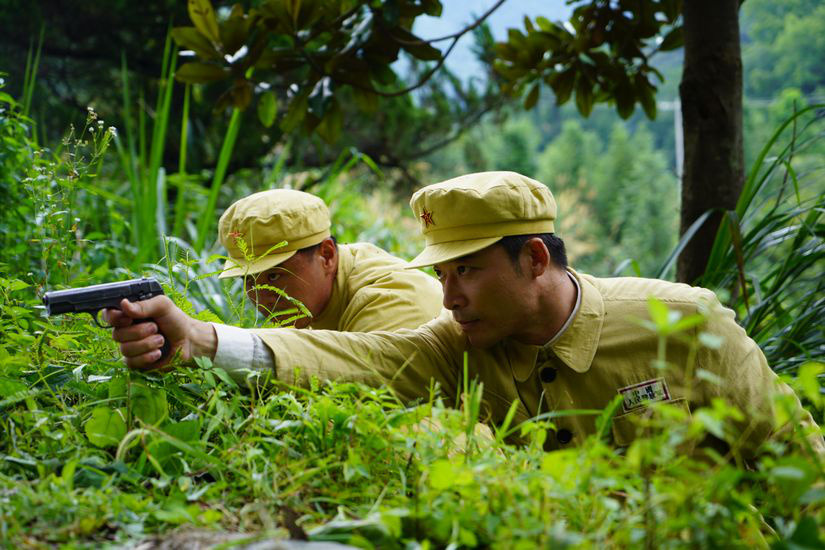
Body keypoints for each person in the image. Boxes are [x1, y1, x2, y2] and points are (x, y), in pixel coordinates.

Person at [106, 172, 824, 460]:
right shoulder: (456, 346)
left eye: (468, 271)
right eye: (442, 274)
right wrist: (201, 340)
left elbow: (794, 455)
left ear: (535, 259)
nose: (448, 297)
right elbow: (362, 360)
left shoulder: (684, 324)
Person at [214, 188, 442, 334]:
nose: (262, 298)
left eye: (274, 276)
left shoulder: (388, 299)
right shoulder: (316, 300)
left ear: (327, 255)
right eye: (249, 281)